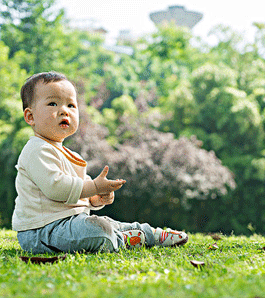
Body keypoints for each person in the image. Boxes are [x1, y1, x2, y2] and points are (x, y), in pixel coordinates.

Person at [12, 71, 188, 254]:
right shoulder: (36, 150)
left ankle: (150, 234)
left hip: (69, 223)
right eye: (53, 103)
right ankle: (125, 239)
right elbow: (56, 188)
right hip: (41, 231)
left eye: (71, 105)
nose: (64, 110)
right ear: (30, 116)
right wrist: (95, 186)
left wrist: (97, 198)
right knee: (98, 230)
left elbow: (82, 192)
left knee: (108, 224)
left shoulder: (69, 154)